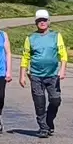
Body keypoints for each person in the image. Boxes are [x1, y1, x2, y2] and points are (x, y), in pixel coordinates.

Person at [19, 8, 69, 136]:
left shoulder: (56, 36)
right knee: (39, 102)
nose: (42, 22)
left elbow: (63, 54)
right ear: (36, 22)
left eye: (44, 20)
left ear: (48, 22)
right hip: (36, 75)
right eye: (39, 20)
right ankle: (43, 127)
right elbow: (25, 57)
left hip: (52, 75)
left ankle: (49, 120)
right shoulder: (30, 38)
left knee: (55, 100)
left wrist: (62, 69)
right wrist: (22, 75)